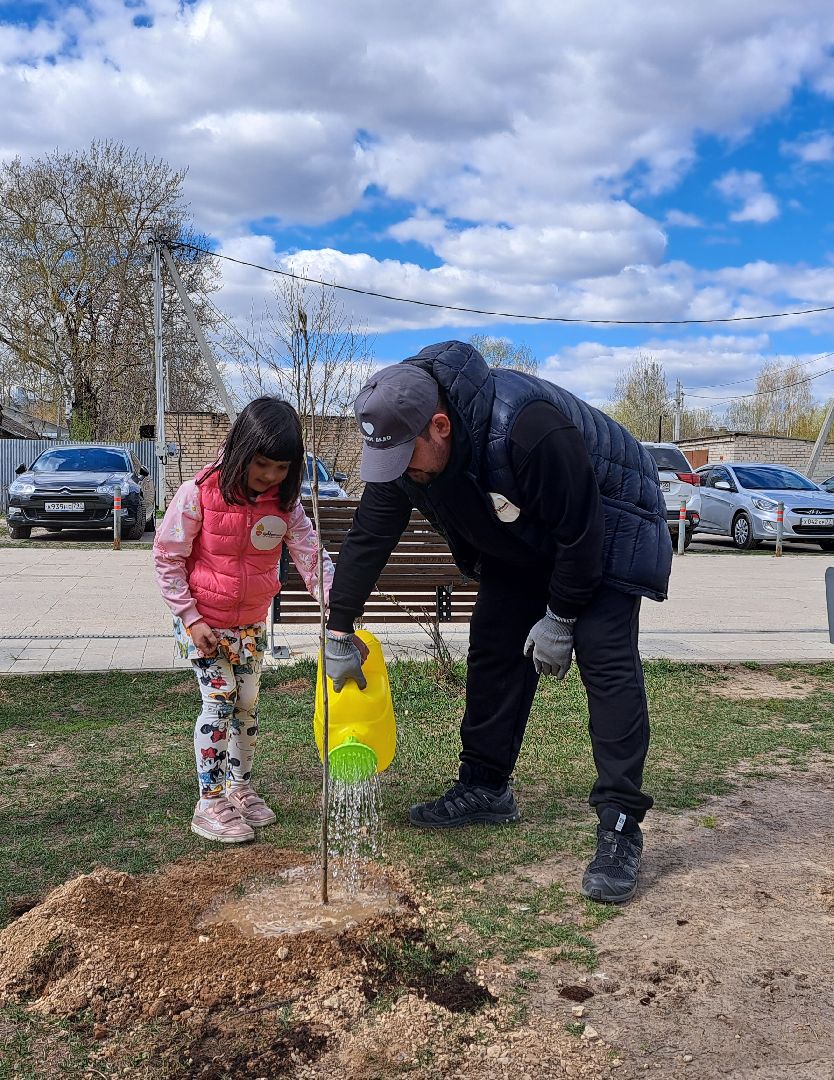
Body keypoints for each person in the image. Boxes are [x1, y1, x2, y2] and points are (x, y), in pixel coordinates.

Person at [322, 341, 672, 903]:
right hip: (524, 534)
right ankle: (486, 787)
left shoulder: (527, 428)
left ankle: (620, 824)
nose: (399, 472)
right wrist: (339, 628)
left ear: (439, 426)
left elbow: (581, 531)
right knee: (493, 647)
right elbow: (369, 536)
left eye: (405, 457)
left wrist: (560, 617)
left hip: (608, 521)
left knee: (605, 662)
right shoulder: (403, 446)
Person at [154, 397, 341, 843]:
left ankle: (239, 788)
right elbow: (167, 557)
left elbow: (310, 555)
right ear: (242, 450)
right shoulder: (199, 493)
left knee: (247, 703)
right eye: (262, 464)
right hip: (203, 623)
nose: (270, 475)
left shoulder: (286, 505)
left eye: (281, 467)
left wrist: (337, 604)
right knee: (220, 700)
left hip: (251, 624)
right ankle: (210, 801)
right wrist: (190, 617)